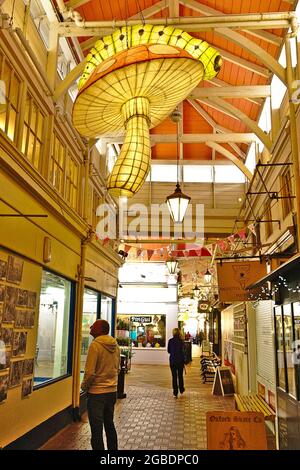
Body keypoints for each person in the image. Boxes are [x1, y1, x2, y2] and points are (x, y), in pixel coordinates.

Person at [81, 319, 120, 450]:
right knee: (110, 425)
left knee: (96, 430)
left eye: (94, 325)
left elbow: (90, 372)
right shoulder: (116, 345)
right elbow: (117, 368)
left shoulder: (95, 345)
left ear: (100, 330)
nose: (91, 327)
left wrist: (84, 387)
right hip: (111, 392)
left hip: (97, 394)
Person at [167, 328, 185, 398]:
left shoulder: (170, 341)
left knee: (174, 376)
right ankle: (181, 389)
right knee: (180, 376)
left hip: (173, 361)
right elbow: (183, 351)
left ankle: (175, 392)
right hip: (180, 361)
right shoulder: (181, 341)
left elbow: (168, 351)